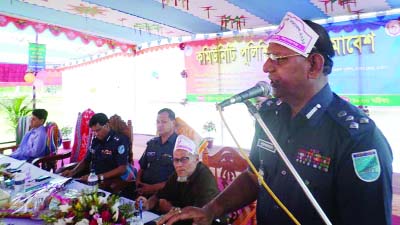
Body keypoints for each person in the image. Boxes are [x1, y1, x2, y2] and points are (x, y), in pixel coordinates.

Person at [159, 12, 393, 225]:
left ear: (313, 65)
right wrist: (211, 209)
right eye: (268, 56)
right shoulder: (268, 115)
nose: (266, 66)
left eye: (278, 58)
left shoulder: (358, 138)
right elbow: (254, 177)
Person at [136, 135, 219, 224]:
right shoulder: (178, 174)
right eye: (176, 160)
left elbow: (199, 218)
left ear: (196, 159)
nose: (179, 164)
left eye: (184, 159)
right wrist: (147, 204)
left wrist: (172, 209)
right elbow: (159, 195)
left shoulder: (205, 180)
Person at [61, 113, 135, 192]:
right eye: (93, 131)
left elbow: (122, 169)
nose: (96, 134)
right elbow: (86, 160)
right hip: (94, 177)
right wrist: (73, 172)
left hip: (109, 179)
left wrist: (98, 177)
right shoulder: (96, 140)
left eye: (98, 130)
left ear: (106, 125)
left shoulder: (119, 140)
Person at [136, 108, 178, 197]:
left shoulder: (179, 145)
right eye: (158, 122)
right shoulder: (152, 143)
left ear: (173, 123)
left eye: (164, 122)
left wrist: (152, 188)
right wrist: (138, 181)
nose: (159, 125)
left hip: (164, 192)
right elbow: (142, 167)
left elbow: (179, 178)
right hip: (144, 188)